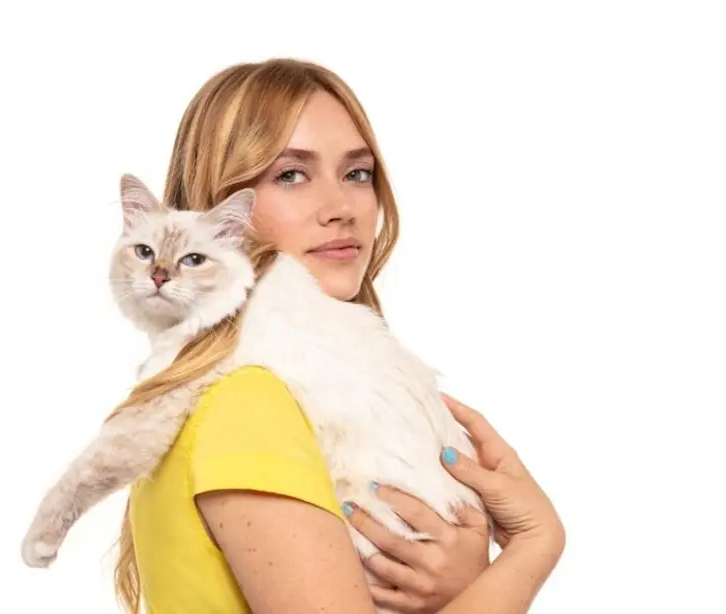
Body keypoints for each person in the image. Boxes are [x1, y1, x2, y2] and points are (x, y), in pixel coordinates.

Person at [112, 58, 565, 614]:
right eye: (290, 175)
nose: (341, 209)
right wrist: (534, 547)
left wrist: (461, 588)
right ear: (218, 213)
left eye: (357, 174)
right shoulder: (244, 401)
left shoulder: (282, 399)